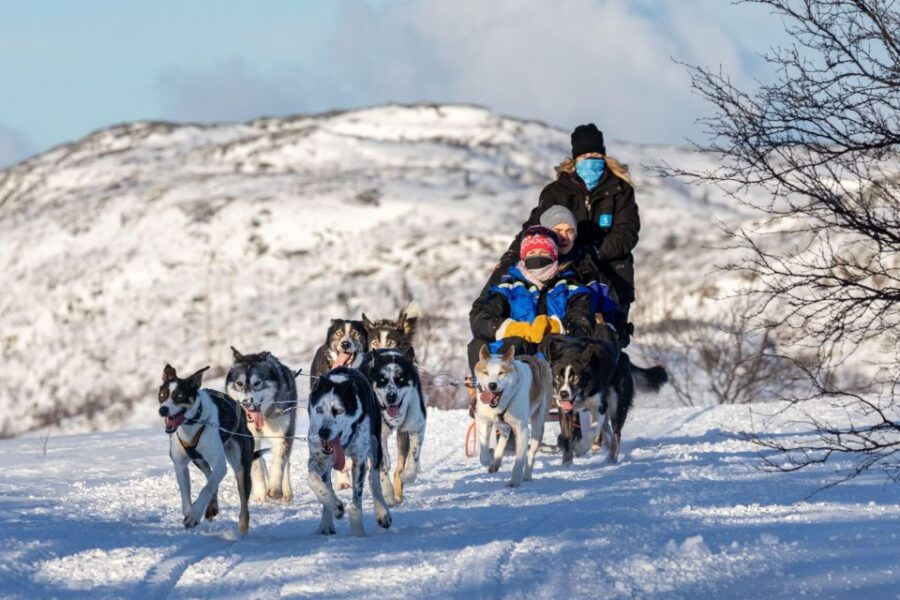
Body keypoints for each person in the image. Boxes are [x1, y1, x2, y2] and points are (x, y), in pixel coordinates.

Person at [492, 124, 639, 346]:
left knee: (610, 336)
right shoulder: (556, 191)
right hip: (568, 267)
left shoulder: (621, 190)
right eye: (585, 156)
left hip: (612, 270)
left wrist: (593, 252)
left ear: (604, 156)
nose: (591, 160)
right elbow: (533, 228)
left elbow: (627, 233)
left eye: (596, 155)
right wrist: (510, 257)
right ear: (575, 159)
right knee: (571, 330)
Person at [467, 225, 594, 372]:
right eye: (532, 252)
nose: (537, 257)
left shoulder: (571, 287)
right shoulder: (508, 285)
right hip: (518, 355)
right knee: (480, 345)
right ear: (523, 256)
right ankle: (489, 381)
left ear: (553, 255)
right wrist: (513, 329)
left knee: (557, 344)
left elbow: (583, 322)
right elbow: (480, 316)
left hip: (554, 356)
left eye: (543, 252)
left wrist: (554, 326)